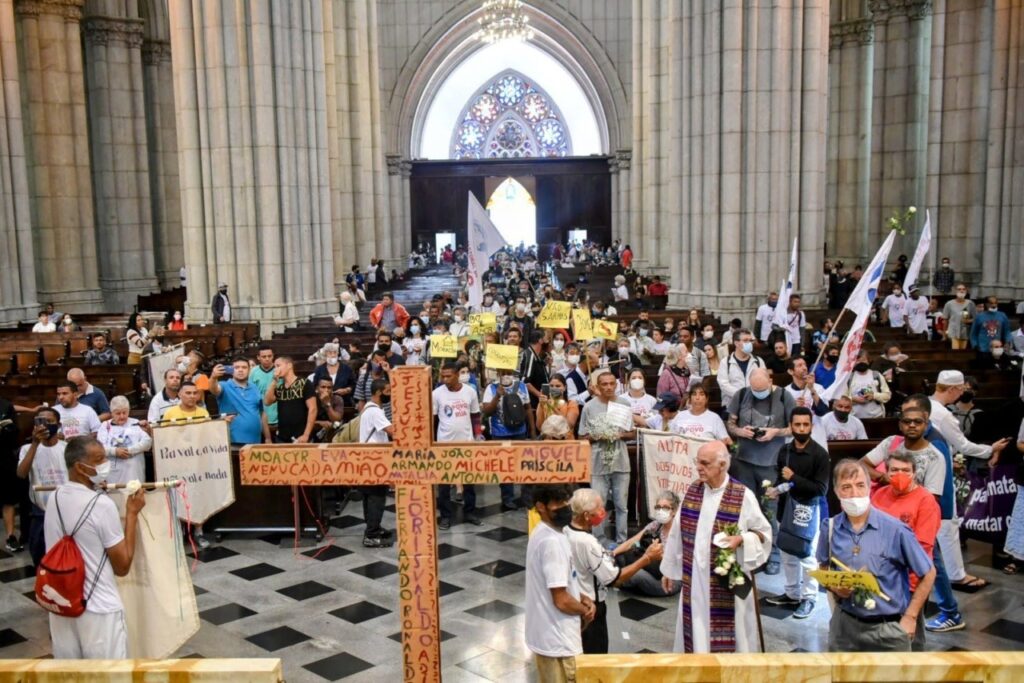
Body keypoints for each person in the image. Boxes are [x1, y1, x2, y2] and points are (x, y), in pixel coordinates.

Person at [660, 441, 771, 652]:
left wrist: (742, 540)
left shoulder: (742, 495)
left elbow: (763, 534)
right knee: (696, 630)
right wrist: (670, 570)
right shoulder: (694, 490)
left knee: (733, 634)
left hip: (727, 582)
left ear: (722, 465)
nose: (698, 468)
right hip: (695, 581)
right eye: (697, 462)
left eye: (705, 463)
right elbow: (677, 532)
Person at [44, 436, 146, 658]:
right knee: (109, 676)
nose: (105, 464)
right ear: (81, 467)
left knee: (70, 676)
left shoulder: (54, 498)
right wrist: (131, 514)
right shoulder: (102, 505)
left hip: (62, 605)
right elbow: (122, 566)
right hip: (98, 609)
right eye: (99, 460)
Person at [819, 459, 935, 652]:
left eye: (860, 485)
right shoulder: (830, 528)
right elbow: (823, 567)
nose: (854, 493)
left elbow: (928, 573)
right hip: (844, 627)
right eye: (846, 487)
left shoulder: (895, 530)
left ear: (869, 488)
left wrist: (911, 617)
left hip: (887, 629)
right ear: (837, 491)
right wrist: (834, 587)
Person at [564, 489, 664, 654]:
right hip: (591, 609)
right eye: (599, 508)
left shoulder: (566, 531)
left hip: (575, 601)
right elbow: (614, 579)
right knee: (594, 657)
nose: (603, 512)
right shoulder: (587, 542)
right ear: (587, 515)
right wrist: (646, 558)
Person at [871, 450, 941, 650]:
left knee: (910, 639)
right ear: (887, 471)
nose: (899, 475)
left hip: (909, 583)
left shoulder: (926, 501)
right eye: (894, 470)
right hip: (879, 579)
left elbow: (922, 548)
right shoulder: (879, 495)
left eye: (905, 470)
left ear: (914, 472)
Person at [726, 368, 795, 574]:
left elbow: (795, 427)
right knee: (746, 509)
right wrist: (740, 431)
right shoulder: (741, 394)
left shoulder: (784, 396)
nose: (758, 393)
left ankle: (772, 555)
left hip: (771, 463)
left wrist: (775, 431)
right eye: (755, 390)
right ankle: (750, 553)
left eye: (762, 389)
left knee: (769, 511)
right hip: (743, 461)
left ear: (770, 380)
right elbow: (730, 423)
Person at [764, 407, 830, 619]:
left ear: (811, 426)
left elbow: (821, 489)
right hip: (786, 508)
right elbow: (780, 479)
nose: (801, 428)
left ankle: (809, 597)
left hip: (808, 509)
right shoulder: (785, 451)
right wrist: (773, 489)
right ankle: (792, 593)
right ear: (791, 427)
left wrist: (793, 478)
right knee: (787, 553)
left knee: (807, 556)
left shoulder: (820, 454)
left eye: (805, 424)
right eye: (797, 425)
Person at [524, 484, 593, 683]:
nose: (565, 508)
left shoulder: (546, 531)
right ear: (541, 507)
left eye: (566, 502)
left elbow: (562, 581)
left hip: (548, 636)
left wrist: (582, 596)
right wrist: (585, 611)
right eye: (558, 504)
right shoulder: (551, 543)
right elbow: (561, 600)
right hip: (558, 641)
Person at [579, 370, 635, 546]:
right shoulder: (589, 407)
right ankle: (598, 540)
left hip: (621, 462)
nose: (609, 387)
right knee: (598, 505)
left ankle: (622, 541)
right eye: (604, 384)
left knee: (621, 505)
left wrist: (618, 435)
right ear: (597, 386)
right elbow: (582, 436)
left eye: (612, 383)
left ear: (616, 385)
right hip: (598, 463)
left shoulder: (624, 404)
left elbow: (632, 432)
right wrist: (597, 436)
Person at [434, 362, 483, 530]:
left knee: (469, 481)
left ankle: (470, 512)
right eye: (443, 376)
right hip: (444, 445)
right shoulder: (437, 394)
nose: (445, 379)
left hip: (466, 443)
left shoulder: (469, 391)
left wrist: (478, 435)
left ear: (456, 375)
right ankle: (446, 516)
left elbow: (475, 415)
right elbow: (433, 420)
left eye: (448, 376)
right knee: (444, 484)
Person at [15, 408, 67, 565]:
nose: (45, 426)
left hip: (65, 510)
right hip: (40, 512)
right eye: (41, 422)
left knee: (66, 555)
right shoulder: (27, 449)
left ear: (58, 425)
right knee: (39, 556)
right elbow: (21, 473)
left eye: (49, 422)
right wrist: (34, 444)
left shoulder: (66, 448)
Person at [482, 368, 536, 511]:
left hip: (520, 432)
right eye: (503, 373)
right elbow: (487, 411)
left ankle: (527, 496)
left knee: (523, 465)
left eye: (508, 373)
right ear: (498, 374)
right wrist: (497, 396)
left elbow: (528, 408)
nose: (506, 376)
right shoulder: (491, 388)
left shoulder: (522, 386)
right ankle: (507, 498)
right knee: (504, 467)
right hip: (500, 433)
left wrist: (532, 431)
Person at [613, 491, 681, 596]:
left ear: (674, 511)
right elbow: (633, 541)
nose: (661, 511)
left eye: (666, 508)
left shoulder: (680, 531)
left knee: (636, 574)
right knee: (620, 556)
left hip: (667, 580)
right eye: (658, 507)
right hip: (650, 568)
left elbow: (679, 564)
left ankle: (615, 580)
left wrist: (657, 554)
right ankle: (620, 578)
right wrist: (612, 553)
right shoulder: (656, 525)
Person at [358, 379, 394, 548]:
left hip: (367, 459)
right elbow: (392, 431)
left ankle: (373, 528)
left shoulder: (368, 408)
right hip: (374, 461)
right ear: (379, 392)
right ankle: (371, 535)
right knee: (376, 497)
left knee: (369, 496)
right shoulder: (376, 412)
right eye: (388, 391)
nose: (390, 394)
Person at [210, 357, 270, 445]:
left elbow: (262, 413)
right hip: (232, 442)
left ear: (249, 370)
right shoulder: (224, 385)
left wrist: (268, 438)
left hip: (255, 441)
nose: (240, 370)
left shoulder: (254, 388)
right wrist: (213, 377)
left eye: (244, 367)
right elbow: (213, 389)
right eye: (237, 367)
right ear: (231, 370)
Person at [96, 396, 151, 486]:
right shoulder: (105, 426)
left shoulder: (135, 423)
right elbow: (99, 448)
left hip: (134, 472)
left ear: (129, 411)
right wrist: (115, 451)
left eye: (124, 413)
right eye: (118, 413)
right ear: (112, 413)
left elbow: (147, 442)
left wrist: (130, 450)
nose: (122, 416)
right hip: (113, 474)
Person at [263, 356, 315, 444]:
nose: (276, 369)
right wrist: (274, 381)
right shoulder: (279, 386)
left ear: (289, 366)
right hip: (282, 437)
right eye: (275, 367)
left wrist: (306, 434)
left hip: (301, 436)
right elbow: (267, 402)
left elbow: (313, 409)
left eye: (278, 365)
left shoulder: (304, 383)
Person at [718, 329, 766, 404]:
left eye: (750, 340)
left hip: (755, 403)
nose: (749, 343)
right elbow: (724, 385)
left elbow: (764, 381)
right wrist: (743, 395)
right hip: (732, 403)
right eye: (745, 340)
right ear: (736, 343)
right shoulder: (725, 362)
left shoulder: (759, 361)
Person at [1, 396, 23, 553]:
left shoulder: (6, 405)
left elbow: (15, 432)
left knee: (8, 498)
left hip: (4, 455)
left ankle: (10, 536)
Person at [846, 350, 891, 419]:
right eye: (858, 360)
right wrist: (853, 399)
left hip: (876, 416)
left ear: (868, 361)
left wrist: (873, 396)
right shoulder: (849, 378)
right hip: (855, 418)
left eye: (863, 360)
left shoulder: (876, 375)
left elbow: (887, 395)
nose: (861, 362)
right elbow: (842, 398)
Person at [248, 344, 278, 436]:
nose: (267, 359)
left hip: (277, 417)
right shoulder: (253, 371)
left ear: (273, 356)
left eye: (269, 356)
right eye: (264, 356)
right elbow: (250, 393)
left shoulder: (279, 370)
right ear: (258, 357)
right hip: (259, 417)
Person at [940, 284, 976, 350]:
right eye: (959, 289)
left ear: (966, 291)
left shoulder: (970, 303)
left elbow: (976, 319)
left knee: (962, 352)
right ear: (955, 291)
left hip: (965, 332)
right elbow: (945, 320)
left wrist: (969, 321)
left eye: (963, 289)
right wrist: (944, 335)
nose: (961, 291)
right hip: (953, 331)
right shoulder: (949, 304)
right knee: (956, 351)